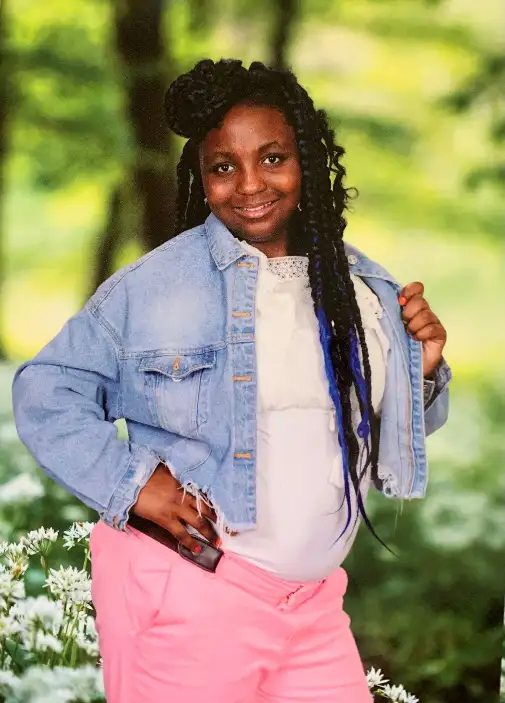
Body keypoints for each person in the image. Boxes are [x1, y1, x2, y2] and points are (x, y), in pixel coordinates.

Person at [12, 58, 451, 703]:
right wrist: (134, 484)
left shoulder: (359, 285)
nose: (249, 185)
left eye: (272, 158)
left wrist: (426, 367)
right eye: (223, 167)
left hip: (312, 609)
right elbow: (45, 390)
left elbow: (388, 422)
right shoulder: (158, 287)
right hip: (190, 593)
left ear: (306, 158)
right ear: (201, 177)